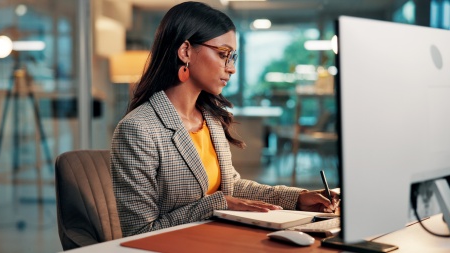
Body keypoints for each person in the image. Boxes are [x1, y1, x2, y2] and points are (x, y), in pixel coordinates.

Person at [111, 1, 339, 237]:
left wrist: (298, 198)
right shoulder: (138, 129)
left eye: (233, 57)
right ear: (185, 51)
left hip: (219, 239)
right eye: (223, 55)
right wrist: (217, 204)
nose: (231, 68)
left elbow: (231, 187)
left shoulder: (210, 118)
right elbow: (139, 231)